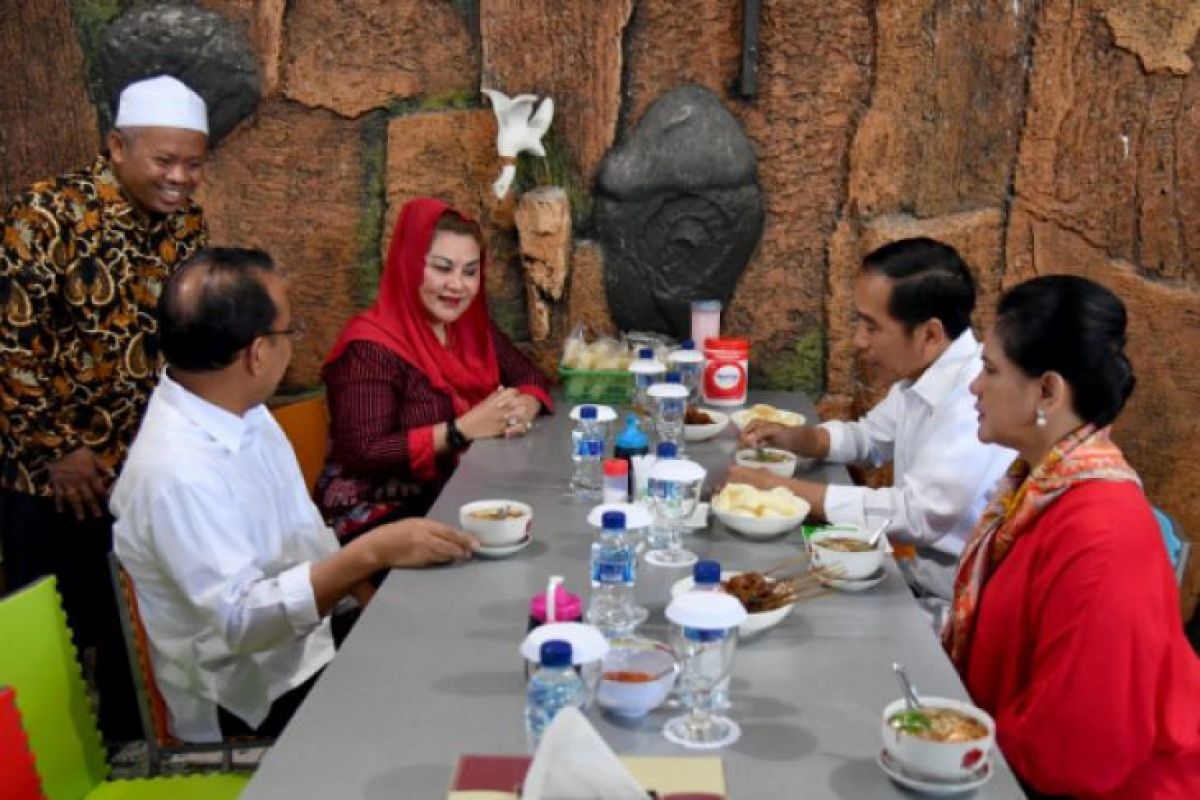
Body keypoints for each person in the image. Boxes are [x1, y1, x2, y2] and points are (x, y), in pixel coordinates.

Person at [111, 247, 477, 742]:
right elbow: (240, 623)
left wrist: (365, 595)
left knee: (450, 634)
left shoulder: (242, 408)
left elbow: (304, 533)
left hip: (310, 638)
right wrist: (372, 550)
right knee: (432, 702)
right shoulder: (175, 472)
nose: (294, 345)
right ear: (257, 352)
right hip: (249, 691)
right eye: (290, 332)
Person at [0, 74, 210, 743]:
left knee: (135, 640)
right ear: (117, 146)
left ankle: (135, 759)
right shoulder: (44, 217)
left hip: (140, 475)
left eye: (194, 164)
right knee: (52, 649)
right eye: (165, 160)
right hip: (45, 482)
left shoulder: (187, 224)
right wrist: (57, 448)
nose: (180, 178)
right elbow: (10, 343)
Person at [943, 275, 1200, 798]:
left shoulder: (1099, 530)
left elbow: (1078, 751)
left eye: (990, 371)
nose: (975, 387)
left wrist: (944, 741)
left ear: (1048, 391)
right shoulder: (1038, 486)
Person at [731, 238, 1013, 598]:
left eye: (872, 326)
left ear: (929, 334)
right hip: (916, 571)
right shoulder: (925, 374)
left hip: (948, 597)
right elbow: (868, 438)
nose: (858, 341)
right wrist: (799, 438)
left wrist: (780, 488)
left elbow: (915, 514)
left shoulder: (969, 399)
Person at [316, 197, 552, 541]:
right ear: (410, 264)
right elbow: (364, 451)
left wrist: (523, 407)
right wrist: (462, 430)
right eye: (442, 268)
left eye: (470, 272)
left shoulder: (469, 328)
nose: (457, 285)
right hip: (378, 515)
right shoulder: (369, 347)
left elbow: (530, 377)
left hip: (453, 490)